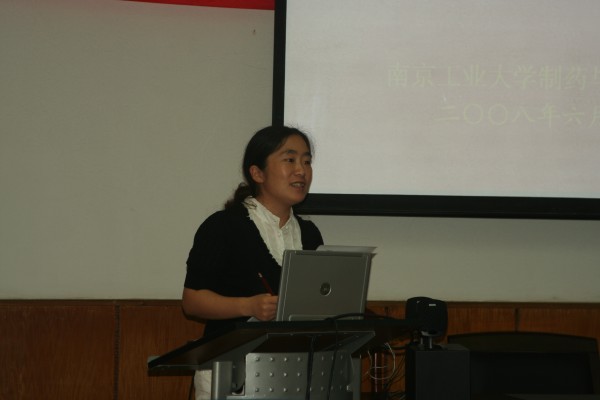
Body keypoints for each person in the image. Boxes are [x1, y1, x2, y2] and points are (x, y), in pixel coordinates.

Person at [182, 125, 324, 400]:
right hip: (229, 374)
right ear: (257, 173)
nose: (301, 170)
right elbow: (192, 301)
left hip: (292, 374)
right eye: (290, 159)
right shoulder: (223, 226)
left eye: (307, 162)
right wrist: (248, 306)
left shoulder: (310, 234)